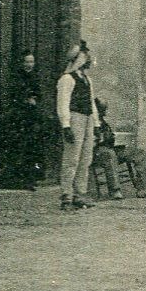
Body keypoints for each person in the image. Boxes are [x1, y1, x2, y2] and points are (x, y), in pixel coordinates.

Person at [55, 42, 100, 211]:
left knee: (85, 158)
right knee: (71, 158)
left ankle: (80, 193)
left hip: (87, 119)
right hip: (75, 118)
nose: (89, 61)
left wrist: (96, 124)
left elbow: (91, 102)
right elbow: (63, 103)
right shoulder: (67, 79)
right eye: (86, 58)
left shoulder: (87, 80)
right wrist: (66, 125)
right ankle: (67, 194)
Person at [92, 102, 146, 200]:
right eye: (102, 111)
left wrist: (114, 138)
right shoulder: (88, 122)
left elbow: (109, 137)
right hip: (97, 153)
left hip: (111, 148)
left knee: (139, 153)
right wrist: (100, 139)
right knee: (110, 154)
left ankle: (144, 188)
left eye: (104, 111)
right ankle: (115, 191)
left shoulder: (102, 122)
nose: (104, 113)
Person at [2, 53, 45, 190]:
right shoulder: (17, 77)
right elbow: (14, 94)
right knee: (19, 148)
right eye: (26, 61)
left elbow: (39, 94)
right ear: (22, 62)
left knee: (32, 148)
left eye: (31, 61)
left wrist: (34, 98)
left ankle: (31, 178)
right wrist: (26, 99)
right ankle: (18, 180)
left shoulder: (35, 76)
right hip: (19, 117)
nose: (29, 64)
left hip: (32, 117)